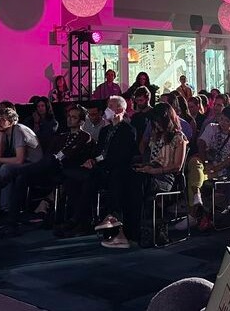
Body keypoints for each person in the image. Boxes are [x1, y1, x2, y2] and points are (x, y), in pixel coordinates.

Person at [0, 104, 94, 238]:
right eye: (68, 116)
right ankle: (12, 224)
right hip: (49, 170)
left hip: (68, 171)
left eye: (73, 117)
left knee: (51, 160)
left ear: (81, 121)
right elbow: (48, 155)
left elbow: (69, 154)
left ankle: (10, 175)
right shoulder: (61, 136)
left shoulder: (85, 136)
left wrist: (56, 158)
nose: (69, 119)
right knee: (25, 176)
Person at [63, 96, 138, 247]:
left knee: (96, 178)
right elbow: (98, 152)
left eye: (111, 106)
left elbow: (122, 156)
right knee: (76, 178)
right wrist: (93, 160)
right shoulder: (105, 131)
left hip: (116, 169)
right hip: (101, 168)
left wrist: (99, 163)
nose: (107, 109)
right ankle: (78, 219)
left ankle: (80, 219)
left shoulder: (128, 130)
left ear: (120, 110)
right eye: (108, 106)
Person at [130, 103, 188, 247]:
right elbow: (153, 159)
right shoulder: (156, 136)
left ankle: (147, 231)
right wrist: (145, 166)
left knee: (141, 184)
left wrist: (153, 170)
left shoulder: (178, 138)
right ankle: (140, 230)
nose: (155, 124)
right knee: (133, 177)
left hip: (167, 177)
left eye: (157, 121)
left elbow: (176, 166)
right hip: (152, 172)